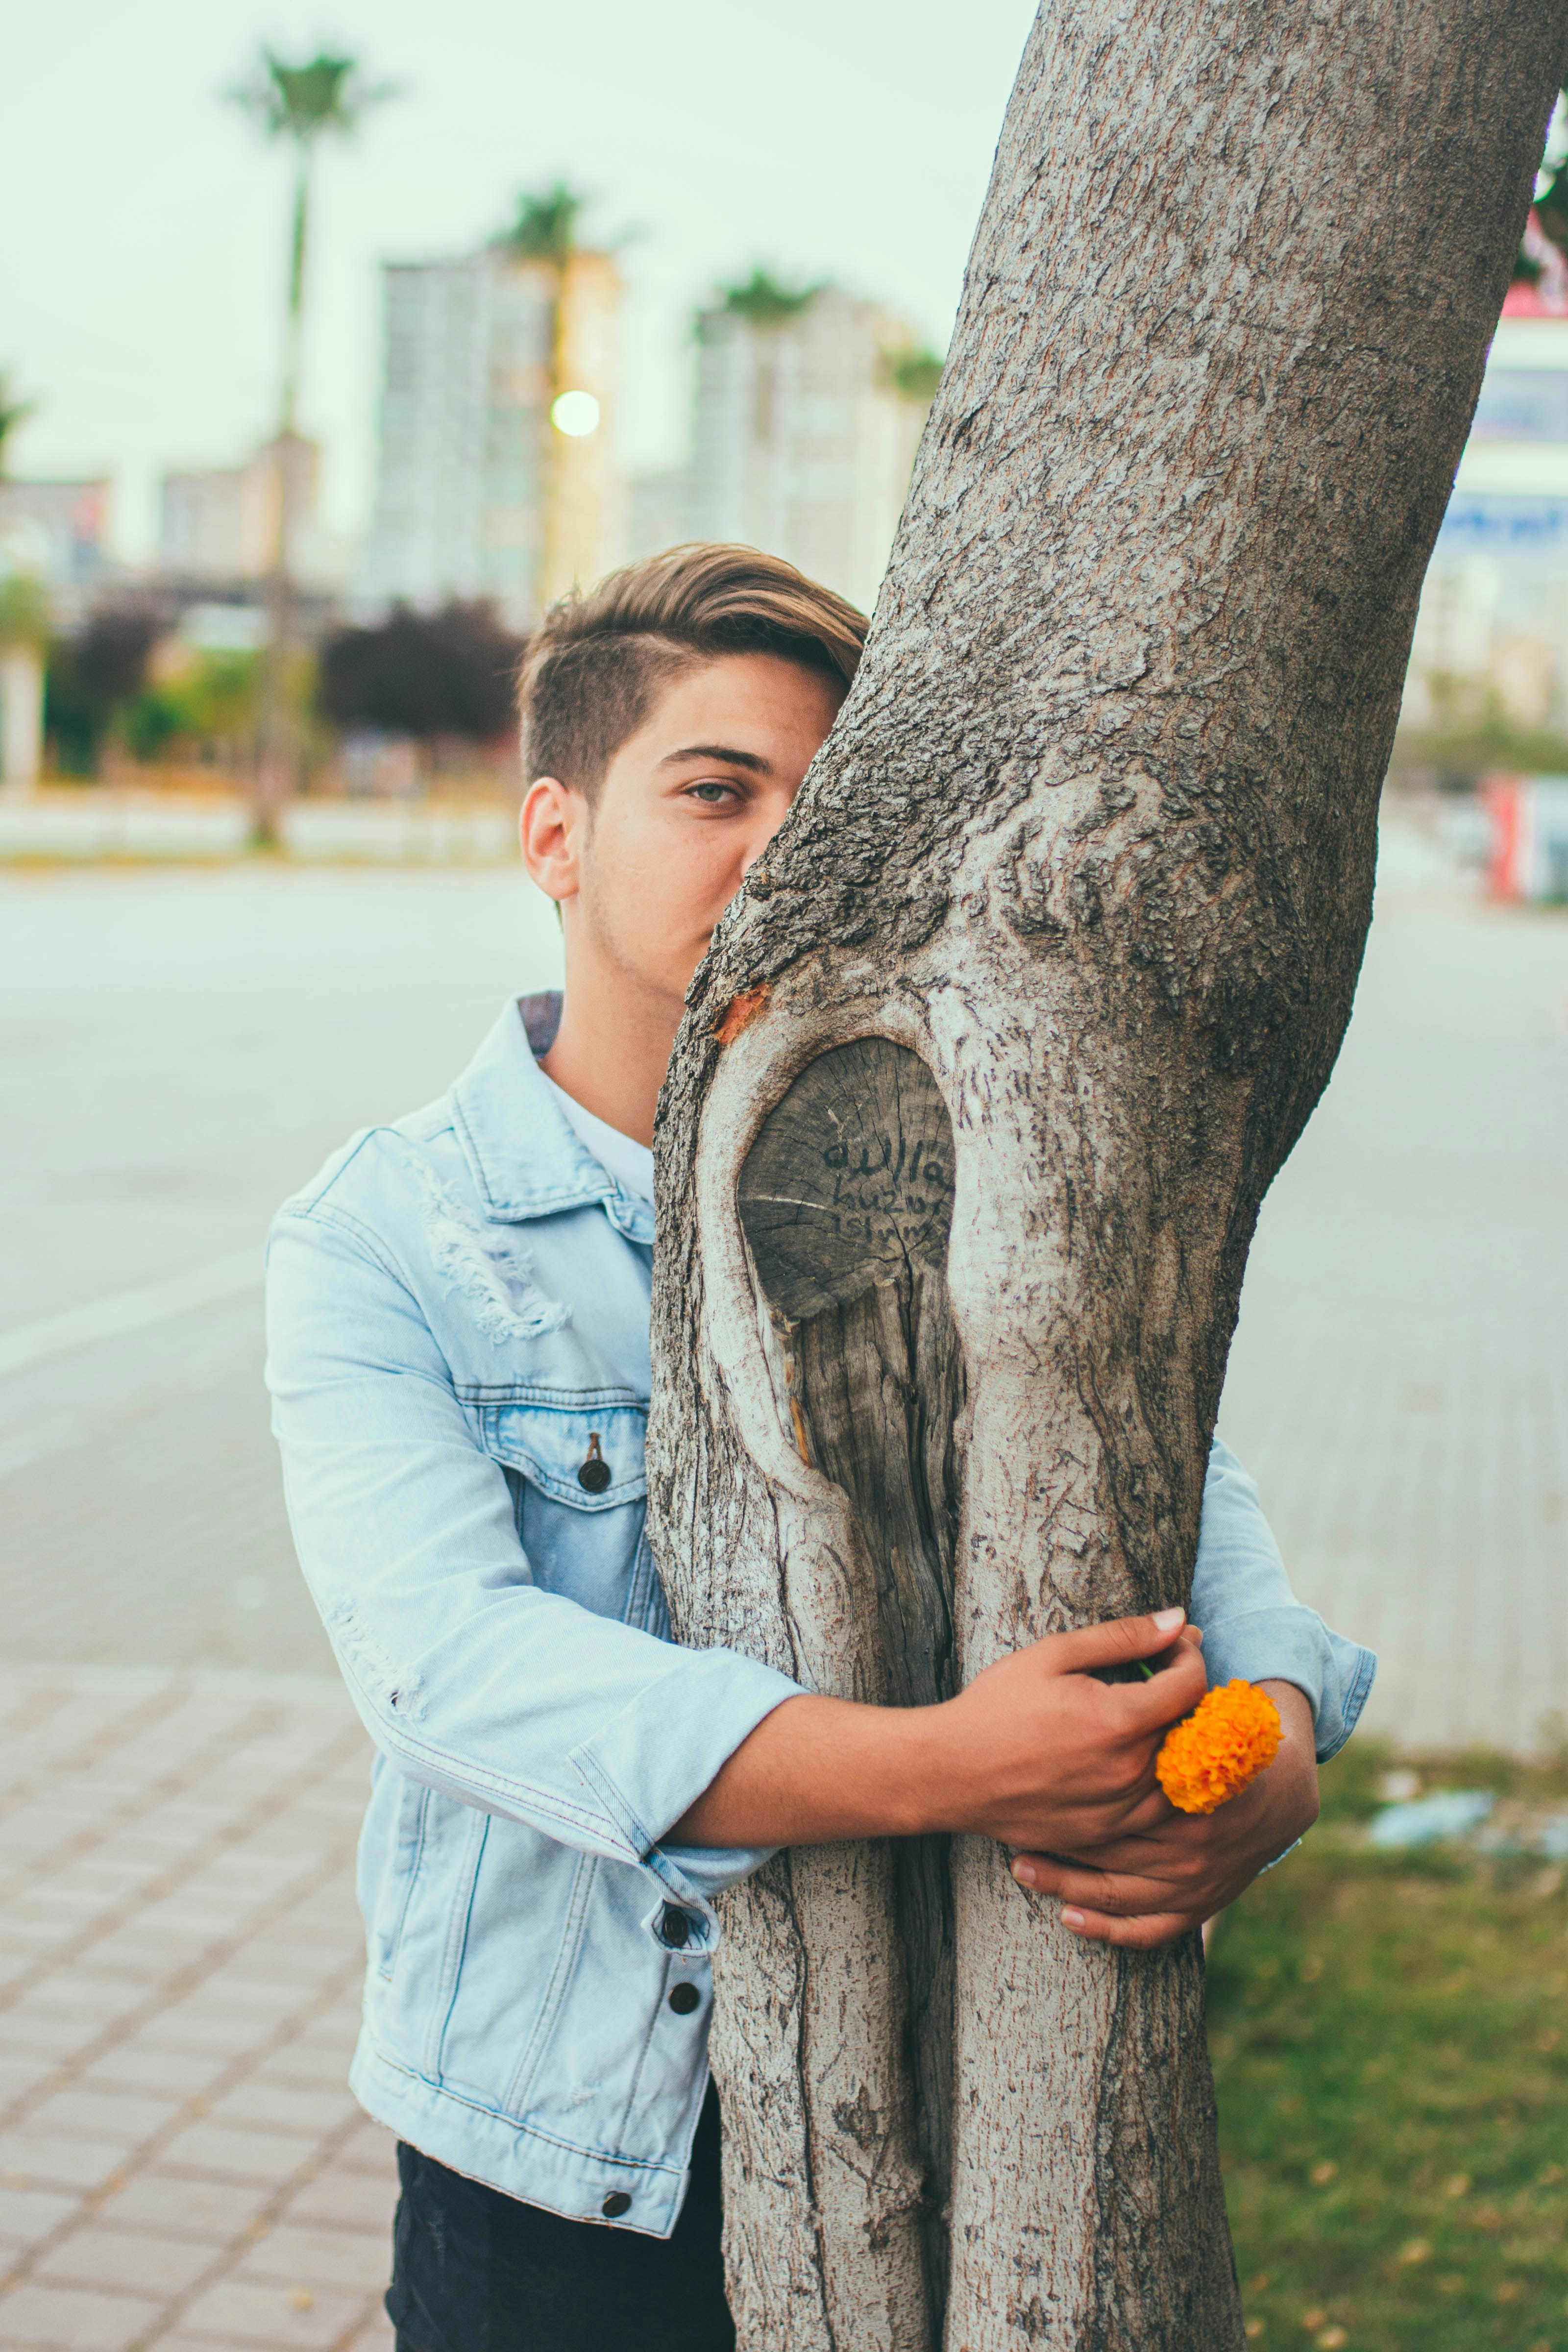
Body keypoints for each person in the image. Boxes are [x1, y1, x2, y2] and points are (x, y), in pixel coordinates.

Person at [265, 543, 1375, 2352]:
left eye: (829, 798)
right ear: (553, 835)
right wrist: (952, 1764)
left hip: (961, 2110)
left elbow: (1179, 1466)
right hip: (570, 2168)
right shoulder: (390, 1235)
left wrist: (1282, 1744)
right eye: (718, 789)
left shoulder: (948, 1185)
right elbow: (451, 1675)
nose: (792, 846)